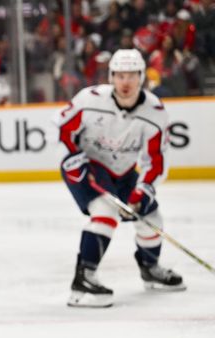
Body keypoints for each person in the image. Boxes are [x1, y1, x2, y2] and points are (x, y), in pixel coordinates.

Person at [56, 49, 184, 308]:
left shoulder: (155, 112)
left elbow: (155, 160)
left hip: (124, 171)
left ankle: (150, 268)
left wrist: (143, 190)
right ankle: (84, 279)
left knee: (151, 218)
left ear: (141, 78)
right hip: (87, 167)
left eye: (132, 76)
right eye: (120, 76)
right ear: (111, 77)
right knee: (105, 212)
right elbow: (62, 129)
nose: (125, 82)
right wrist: (72, 160)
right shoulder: (89, 99)